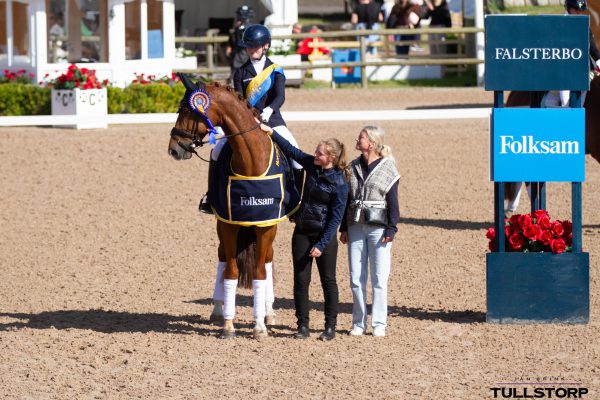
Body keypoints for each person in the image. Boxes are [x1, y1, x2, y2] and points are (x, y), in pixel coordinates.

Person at [262, 124, 349, 341]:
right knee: (301, 280)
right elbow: (292, 151)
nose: (315, 154)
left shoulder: (340, 182)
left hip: (323, 237)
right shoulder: (312, 165)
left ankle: (330, 327)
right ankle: (303, 325)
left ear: (331, 157)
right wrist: (271, 133)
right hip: (302, 231)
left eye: (320, 153)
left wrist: (321, 244)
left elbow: (335, 218)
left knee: (328, 281)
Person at [340, 126, 400, 338]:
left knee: (379, 278)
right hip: (355, 226)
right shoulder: (353, 166)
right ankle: (358, 322)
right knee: (356, 277)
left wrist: (392, 228)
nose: (357, 139)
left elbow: (393, 201)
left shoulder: (388, 167)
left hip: (379, 228)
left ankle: (379, 323)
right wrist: (344, 227)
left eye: (362, 137)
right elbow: (347, 200)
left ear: (372, 143)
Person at [556, 0, 600, 107]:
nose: (579, 13)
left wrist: (598, 59)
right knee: (565, 102)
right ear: (568, 8)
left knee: (580, 99)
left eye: (581, 10)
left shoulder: (583, 23)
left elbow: (591, 44)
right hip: (563, 70)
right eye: (576, 10)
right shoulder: (559, 23)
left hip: (580, 69)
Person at [226, 5, 254, 82]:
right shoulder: (238, 26)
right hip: (238, 51)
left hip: (244, 51)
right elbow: (233, 37)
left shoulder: (249, 27)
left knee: (241, 70)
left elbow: (244, 41)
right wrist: (230, 46)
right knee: (236, 69)